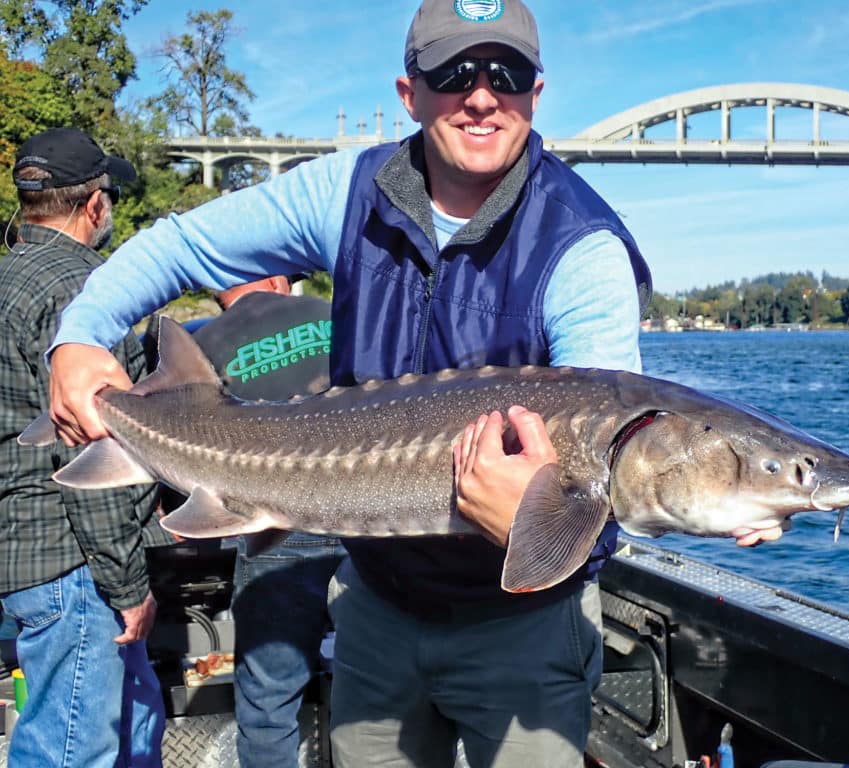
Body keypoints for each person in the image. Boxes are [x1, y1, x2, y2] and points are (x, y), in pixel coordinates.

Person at [45, 1, 652, 765]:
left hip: (522, 630)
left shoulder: (582, 246)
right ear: (411, 93)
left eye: (509, 72)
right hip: (374, 611)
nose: (482, 94)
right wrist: (77, 339)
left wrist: (542, 517)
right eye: (455, 72)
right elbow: (178, 245)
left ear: (537, 90)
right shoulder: (346, 192)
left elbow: (612, 440)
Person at [0, 127, 170, 767]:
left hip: (28, 553)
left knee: (132, 732)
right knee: (72, 751)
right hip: (75, 563)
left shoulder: (10, 275)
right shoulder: (86, 295)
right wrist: (126, 583)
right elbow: (93, 457)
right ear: (94, 204)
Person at [190, 276, 346, 766]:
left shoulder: (203, 344)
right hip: (365, 520)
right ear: (279, 279)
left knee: (268, 705)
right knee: (375, 693)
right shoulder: (332, 312)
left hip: (272, 532)